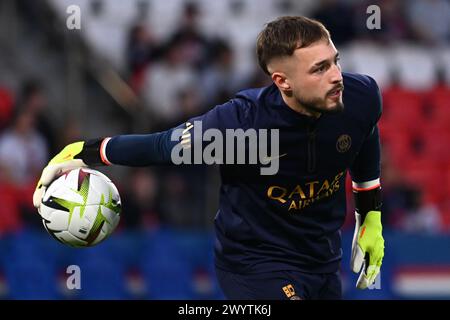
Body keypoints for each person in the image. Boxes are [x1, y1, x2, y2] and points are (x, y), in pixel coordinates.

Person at [33, 16, 384, 300]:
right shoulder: (239, 126)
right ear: (283, 82)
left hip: (322, 260)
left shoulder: (360, 96)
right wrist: (89, 150)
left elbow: (364, 132)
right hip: (255, 262)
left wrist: (370, 215)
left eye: (335, 61)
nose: (336, 76)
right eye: (319, 69)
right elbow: (161, 147)